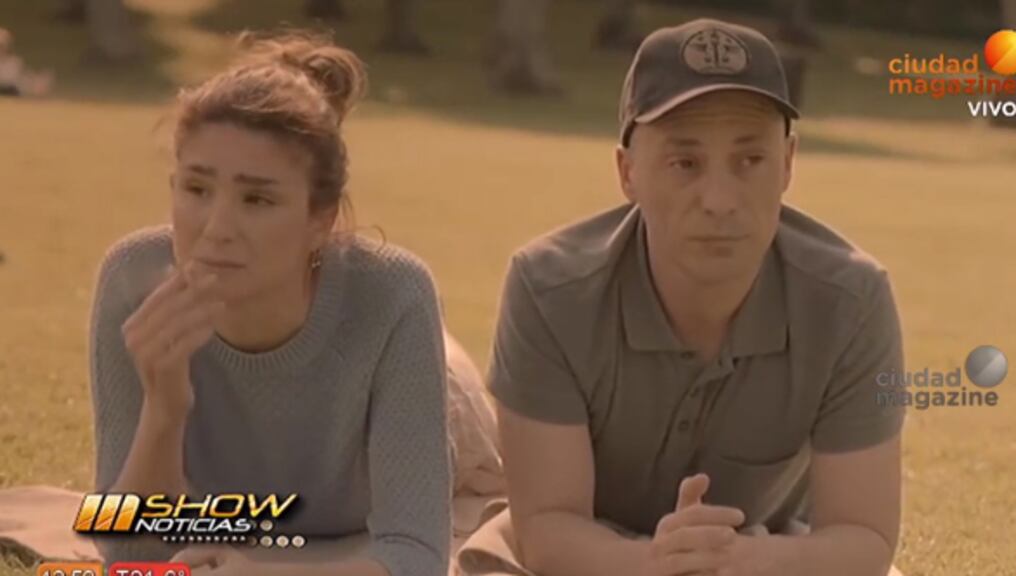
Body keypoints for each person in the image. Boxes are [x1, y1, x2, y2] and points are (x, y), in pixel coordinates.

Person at [458, 18, 906, 576]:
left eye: (750, 160)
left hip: (767, 550)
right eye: (685, 163)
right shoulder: (548, 290)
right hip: (593, 554)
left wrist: (742, 559)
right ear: (628, 172)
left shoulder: (851, 300)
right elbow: (549, 529)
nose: (719, 199)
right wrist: (655, 564)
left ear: (788, 163)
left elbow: (864, 537)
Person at [88, 32, 451, 576]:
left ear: (320, 220)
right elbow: (130, 553)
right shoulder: (133, 279)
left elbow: (417, 554)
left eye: (257, 199)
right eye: (196, 189)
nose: (216, 228)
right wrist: (164, 410)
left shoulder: (394, 294)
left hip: (451, 404)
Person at [0, 27, 54, 97]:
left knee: (27, 80)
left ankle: (39, 83)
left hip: (14, 86)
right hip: (10, 86)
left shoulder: (14, 62)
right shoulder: (13, 63)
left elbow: (23, 76)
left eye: (2, 46)